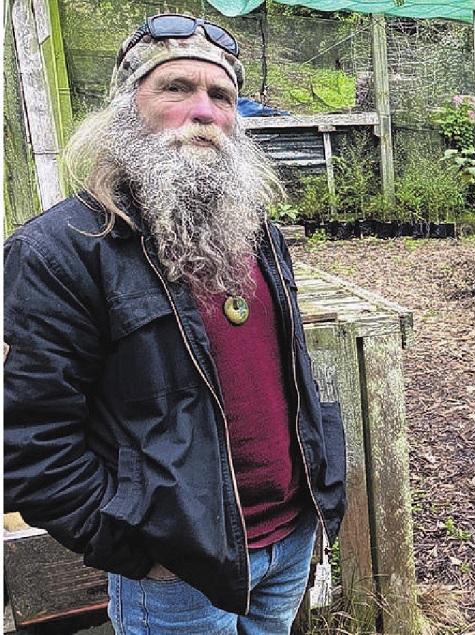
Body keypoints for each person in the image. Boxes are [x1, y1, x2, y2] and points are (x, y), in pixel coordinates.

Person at [3, 14, 346, 634]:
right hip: (178, 573)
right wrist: (139, 551)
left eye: (221, 95)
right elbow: (31, 442)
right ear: (126, 108)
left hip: (289, 540)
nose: (205, 111)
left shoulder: (255, 229)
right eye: (176, 88)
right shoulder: (60, 251)